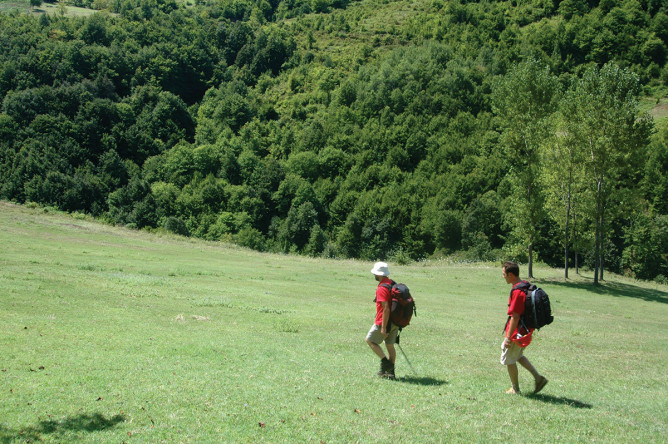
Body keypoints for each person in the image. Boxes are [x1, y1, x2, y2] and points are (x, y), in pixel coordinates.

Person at [501, 261, 548, 395]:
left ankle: (515, 389)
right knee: (518, 356)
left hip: (517, 332)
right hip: (525, 330)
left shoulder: (517, 292)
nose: (503, 277)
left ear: (510, 274)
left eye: (504, 274)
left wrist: (508, 338)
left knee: (509, 359)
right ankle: (538, 379)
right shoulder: (525, 285)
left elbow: (515, 316)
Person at [365, 261, 399, 379]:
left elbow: (386, 309)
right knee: (390, 345)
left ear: (378, 274)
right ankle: (390, 373)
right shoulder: (391, 283)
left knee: (370, 340)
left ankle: (386, 364)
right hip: (395, 321)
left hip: (384, 321)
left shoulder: (382, 288)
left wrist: (384, 327)